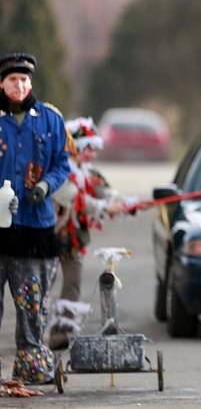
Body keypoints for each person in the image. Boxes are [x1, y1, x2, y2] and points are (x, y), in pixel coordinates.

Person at [0, 52, 70, 384]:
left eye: (25, 80)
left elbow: (62, 164)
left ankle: (30, 363)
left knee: (32, 301)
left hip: (33, 227)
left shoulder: (50, 119)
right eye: (13, 80)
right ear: (2, 83)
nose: (20, 85)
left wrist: (45, 185)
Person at [48, 117, 128, 350]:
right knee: (43, 285)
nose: (92, 154)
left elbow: (107, 192)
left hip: (75, 238)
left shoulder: (88, 173)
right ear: (75, 147)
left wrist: (125, 204)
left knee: (72, 283)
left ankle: (60, 333)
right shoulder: (61, 169)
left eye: (95, 149)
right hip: (49, 235)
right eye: (88, 148)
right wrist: (104, 208)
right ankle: (32, 336)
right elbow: (75, 199)